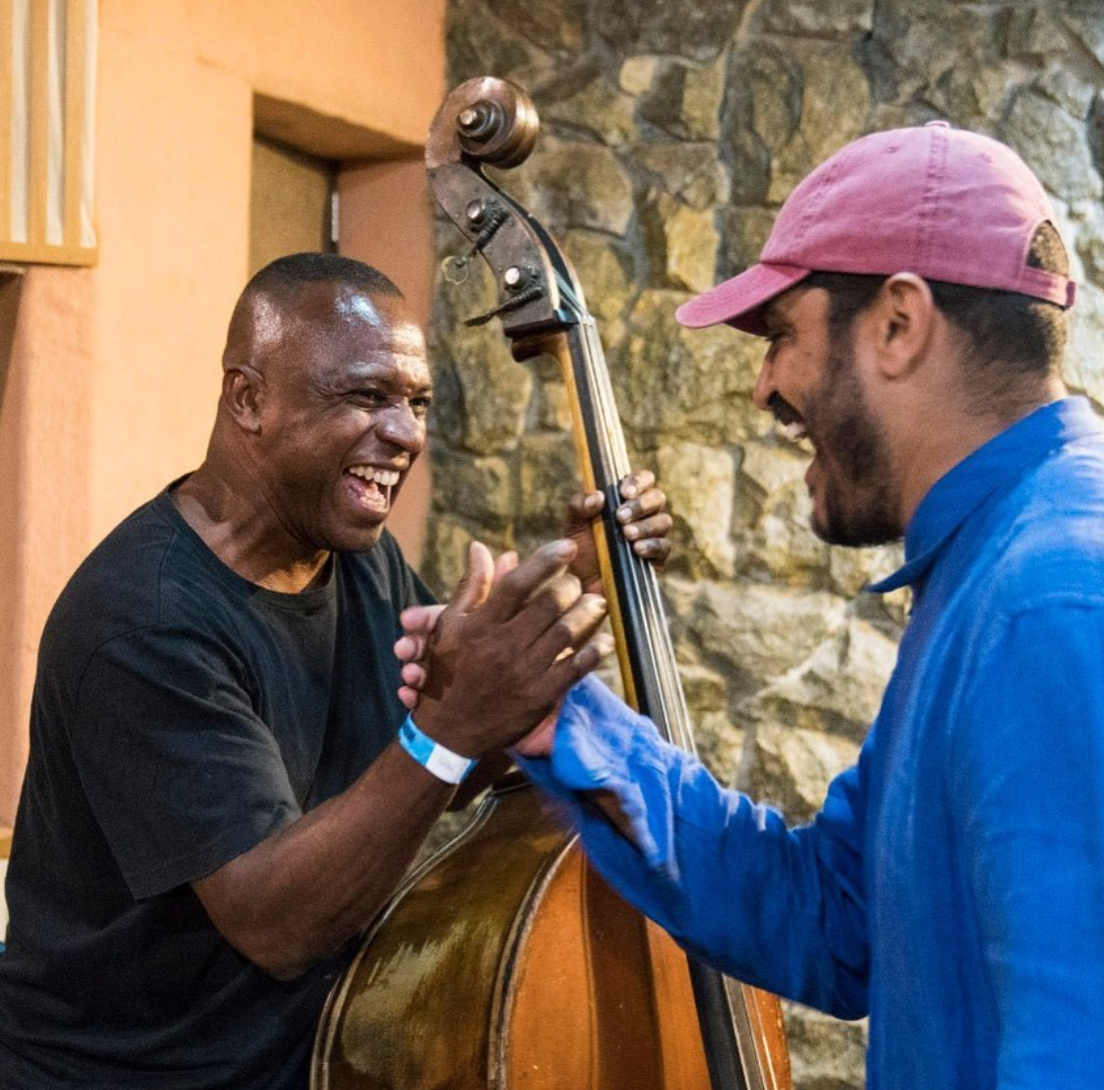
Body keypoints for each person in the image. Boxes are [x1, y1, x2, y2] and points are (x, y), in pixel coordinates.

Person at [398, 121, 1104, 1088]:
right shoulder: (992, 571)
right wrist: (554, 713)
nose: (765, 383)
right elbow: (836, 914)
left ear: (899, 324)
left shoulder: (1054, 598)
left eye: (782, 335)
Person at [0, 252, 672, 1089]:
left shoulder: (358, 560)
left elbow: (443, 766)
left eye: (417, 402)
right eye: (366, 396)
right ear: (249, 399)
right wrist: (451, 724)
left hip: (320, 1052)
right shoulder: (145, 617)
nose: (407, 433)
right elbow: (275, 924)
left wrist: (571, 597)